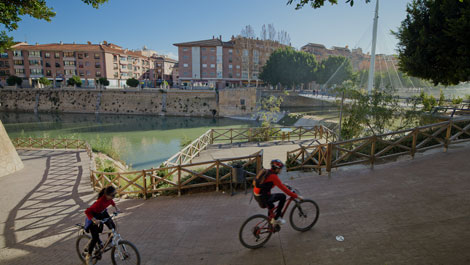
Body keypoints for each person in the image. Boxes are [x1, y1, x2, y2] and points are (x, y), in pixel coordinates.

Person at [253, 159, 303, 225]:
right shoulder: (274, 177)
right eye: (280, 169)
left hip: (257, 195)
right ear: (276, 169)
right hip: (263, 197)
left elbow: (271, 183)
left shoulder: (268, 172)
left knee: (271, 206)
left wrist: (283, 184)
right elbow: (285, 190)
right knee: (283, 196)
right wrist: (297, 196)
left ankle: (270, 223)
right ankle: (276, 218)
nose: (281, 170)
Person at [84, 186, 121, 265]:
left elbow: (112, 202)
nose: (114, 197)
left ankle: (109, 242)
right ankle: (89, 255)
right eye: (113, 195)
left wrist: (117, 208)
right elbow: (87, 211)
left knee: (113, 227)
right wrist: (94, 220)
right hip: (94, 216)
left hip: (103, 213)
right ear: (106, 195)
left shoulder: (109, 198)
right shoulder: (100, 202)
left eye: (115, 194)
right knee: (95, 237)